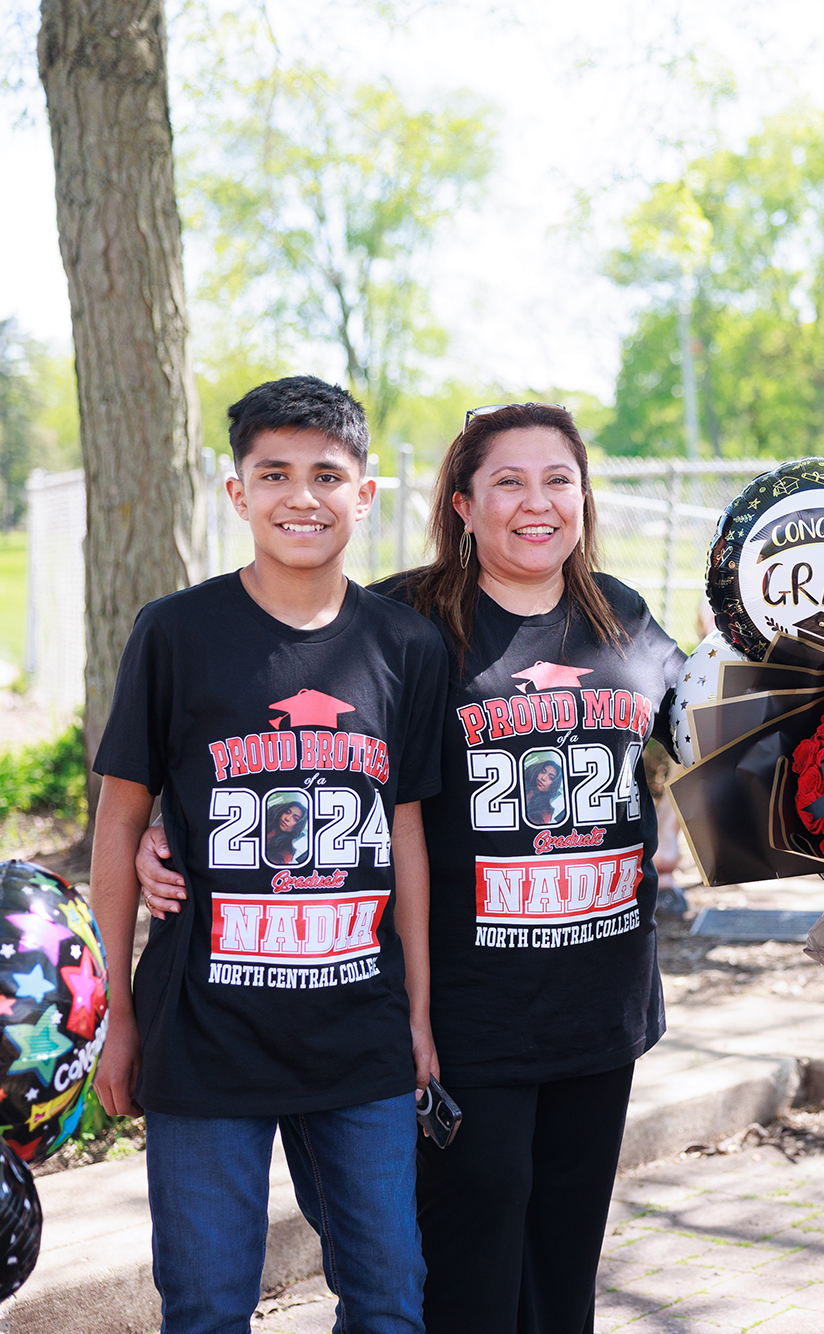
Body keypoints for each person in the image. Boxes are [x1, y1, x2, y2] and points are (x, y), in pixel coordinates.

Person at [137, 402, 688, 1333]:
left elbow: (698, 736)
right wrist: (167, 821)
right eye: (507, 482)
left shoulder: (622, 614)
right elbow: (276, 719)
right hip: (466, 1013)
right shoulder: (408, 618)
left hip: (602, 1002)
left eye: (558, 480)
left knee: (563, 1265)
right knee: (464, 1269)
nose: (537, 502)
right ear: (462, 505)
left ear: (585, 497)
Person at [91, 376, 449, 1333]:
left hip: (360, 1032)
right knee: (208, 1304)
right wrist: (119, 1013)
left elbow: (407, 834)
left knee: (389, 1297)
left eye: (326, 475)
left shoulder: (405, 645)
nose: (302, 497)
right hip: (205, 1029)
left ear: (363, 495)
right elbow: (120, 825)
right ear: (237, 493)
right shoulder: (175, 633)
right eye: (274, 474)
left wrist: (417, 1015)